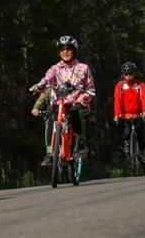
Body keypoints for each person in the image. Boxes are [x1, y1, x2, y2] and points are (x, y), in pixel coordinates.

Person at [29, 35, 95, 166]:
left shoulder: (83, 68)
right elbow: (47, 78)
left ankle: (81, 143)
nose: (65, 51)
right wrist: (39, 85)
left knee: (76, 112)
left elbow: (90, 88)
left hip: (79, 101)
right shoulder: (55, 68)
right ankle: (49, 152)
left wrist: (83, 96)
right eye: (62, 49)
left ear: (74, 50)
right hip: (60, 103)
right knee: (50, 119)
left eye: (69, 49)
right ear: (59, 52)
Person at [113, 61, 145, 163]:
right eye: (126, 74)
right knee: (126, 132)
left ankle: (143, 154)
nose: (128, 76)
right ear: (123, 74)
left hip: (137, 114)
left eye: (131, 73)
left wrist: (144, 111)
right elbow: (117, 100)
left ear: (134, 73)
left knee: (140, 134)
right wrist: (116, 114)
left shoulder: (140, 85)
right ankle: (127, 144)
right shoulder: (119, 86)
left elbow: (144, 98)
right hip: (125, 115)